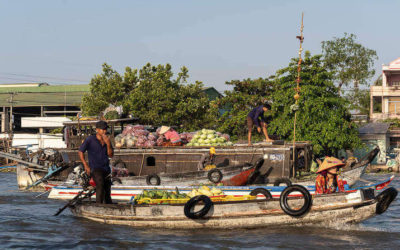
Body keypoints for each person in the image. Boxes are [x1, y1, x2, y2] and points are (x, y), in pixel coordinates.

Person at [78, 120, 113, 204]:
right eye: (102, 129)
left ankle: (107, 205)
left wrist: (108, 144)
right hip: (95, 168)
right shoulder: (90, 139)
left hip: (106, 168)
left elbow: (111, 155)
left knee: (107, 190)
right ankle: (98, 205)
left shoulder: (107, 140)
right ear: (97, 130)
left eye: (105, 129)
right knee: (100, 184)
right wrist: (85, 165)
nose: (104, 131)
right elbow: (80, 151)